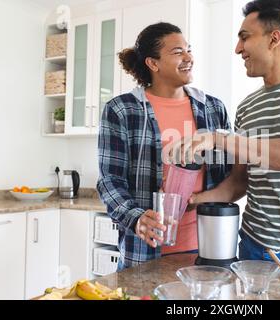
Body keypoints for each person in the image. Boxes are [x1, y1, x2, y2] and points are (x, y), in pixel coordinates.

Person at [172, 0, 280, 271]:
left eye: (244, 37)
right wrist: (189, 201)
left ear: (274, 38)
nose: (238, 49)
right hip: (251, 246)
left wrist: (218, 138)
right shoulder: (247, 107)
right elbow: (238, 183)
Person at [97, 22, 232, 270]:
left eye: (189, 50)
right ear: (153, 63)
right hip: (145, 250)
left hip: (206, 247)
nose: (189, 57)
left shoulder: (213, 108)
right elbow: (110, 180)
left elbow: (231, 175)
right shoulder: (122, 109)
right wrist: (136, 217)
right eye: (178, 52)